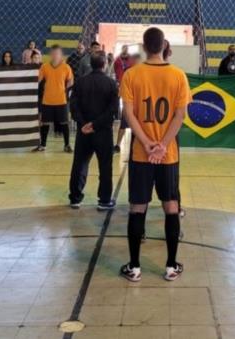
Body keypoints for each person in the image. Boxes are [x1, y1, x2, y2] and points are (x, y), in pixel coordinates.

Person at [119, 27, 191, 282]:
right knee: (171, 206)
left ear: (144, 46)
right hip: (167, 155)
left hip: (141, 153)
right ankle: (171, 266)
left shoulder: (132, 75)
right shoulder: (178, 76)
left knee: (138, 207)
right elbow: (179, 116)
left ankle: (135, 266)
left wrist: (148, 143)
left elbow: (130, 115)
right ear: (163, 46)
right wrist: (162, 145)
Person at [69, 52, 119, 210]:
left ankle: (75, 198)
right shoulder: (111, 84)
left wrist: (84, 124)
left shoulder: (80, 82)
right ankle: (104, 200)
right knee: (105, 165)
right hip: (103, 131)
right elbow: (113, 109)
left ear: (90, 63)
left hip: (83, 132)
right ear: (104, 64)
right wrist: (96, 124)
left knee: (79, 164)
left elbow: (73, 105)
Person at [35, 45, 74, 153]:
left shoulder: (66, 67)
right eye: (53, 53)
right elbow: (38, 80)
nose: (55, 55)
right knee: (45, 123)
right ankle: (43, 145)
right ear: (50, 54)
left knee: (64, 123)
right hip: (47, 100)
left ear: (61, 55)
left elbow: (71, 81)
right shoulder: (44, 67)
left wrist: (65, 90)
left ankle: (67, 145)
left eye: (57, 53)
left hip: (61, 100)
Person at [115, 53, 141, 153]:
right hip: (129, 102)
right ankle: (118, 145)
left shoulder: (142, 72)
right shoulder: (127, 72)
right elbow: (123, 87)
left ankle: (135, 145)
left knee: (137, 125)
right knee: (123, 125)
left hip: (138, 103)